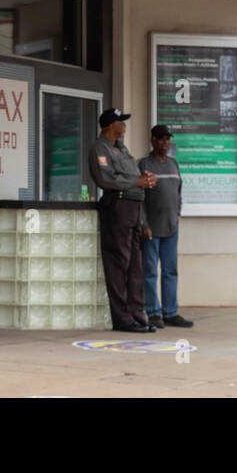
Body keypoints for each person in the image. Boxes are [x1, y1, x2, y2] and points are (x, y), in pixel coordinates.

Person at [88, 108, 156, 332]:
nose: (124, 126)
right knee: (119, 263)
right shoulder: (101, 148)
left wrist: (145, 179)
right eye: (120, 122)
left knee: (135, 265)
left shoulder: (122, 149)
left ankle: (137, 313)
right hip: (117, 207)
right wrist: (137, 182)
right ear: (108, 126)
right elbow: (107, 178)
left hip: (134, 209)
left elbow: (134, 178)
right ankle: (122, 318)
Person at [139, 125, 194, 329]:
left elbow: (178, 193)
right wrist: (143, 223)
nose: (165, 143)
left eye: (167, 139)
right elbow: (139, 198)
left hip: (171, 227)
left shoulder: (173, 164)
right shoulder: (144, 164)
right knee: (150, 271)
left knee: (171, 271)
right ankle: (153, 312)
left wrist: (177, 215)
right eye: (161, 139)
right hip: (151, 229)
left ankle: (170, 312)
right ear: (152, 140)